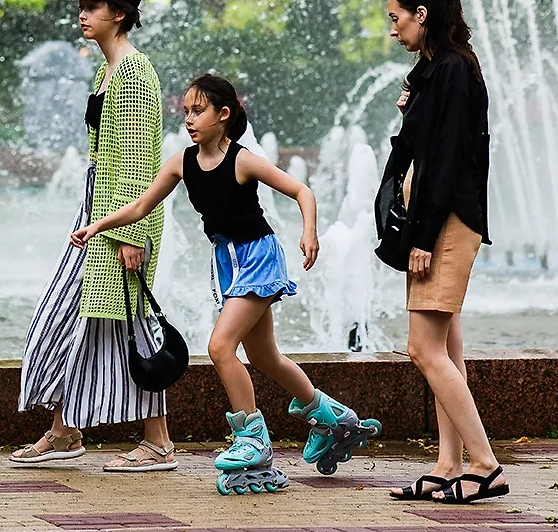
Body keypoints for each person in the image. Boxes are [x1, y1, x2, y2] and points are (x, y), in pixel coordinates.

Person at [71, 74, 381, 494]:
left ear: (224, 114)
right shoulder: (181, 163)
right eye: (186, 112)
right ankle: (330, 417)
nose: (190, 120)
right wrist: (97, 227)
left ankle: (252, 441)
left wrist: (309, 233)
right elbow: (141, 205)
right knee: (265, 355)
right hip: (227, 263)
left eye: (199, 111)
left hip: (258, 257)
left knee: (220, 346)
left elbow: (302, 191)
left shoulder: (243, 160)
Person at [11, 0, 177, 472]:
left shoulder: (131, 74)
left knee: (122, 321)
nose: (83, 13)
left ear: (120, 13)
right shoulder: (110, 70)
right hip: (101, 213)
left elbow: (133, 159)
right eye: (82, 3)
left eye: (94, 5)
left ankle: (158, 442)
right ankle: (65, 431)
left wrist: (128, 235)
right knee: (88, 321)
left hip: (121, 221)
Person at [378, 0, 509, 503]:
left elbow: (449, 160)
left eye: (396, 17)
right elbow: (417, 146)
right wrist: (410, 107)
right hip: (435, 219)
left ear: (421, 14)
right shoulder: (434, 70)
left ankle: (486, 465)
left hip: (447, 221)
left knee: (423, 348)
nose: (393, 29)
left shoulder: (453, 70)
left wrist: (424, 238)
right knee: (446, 349)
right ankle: (448, 464)